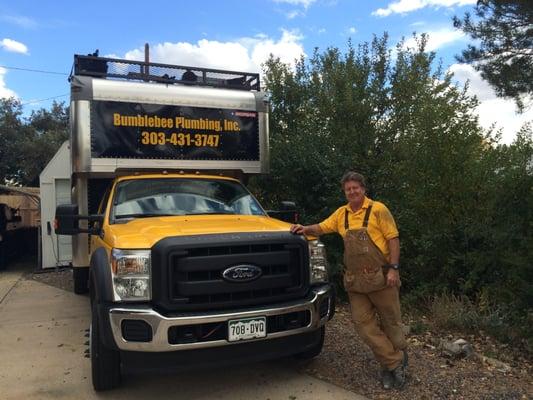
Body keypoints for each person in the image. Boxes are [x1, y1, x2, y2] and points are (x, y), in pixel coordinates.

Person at [290, 171, 408, 390]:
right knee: (363, 326)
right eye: (348, 189)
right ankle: (394, 361)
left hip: (381, 277)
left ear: (363, 189)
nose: (352, 191)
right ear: (345, 192)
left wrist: (393, 269)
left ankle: (393, 362)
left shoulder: (378, 210)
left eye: (356, 187)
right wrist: (305, 229)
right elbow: (322, 228)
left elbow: (393, 239)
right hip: (355, 281)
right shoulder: (341, 214)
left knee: (391, 323)